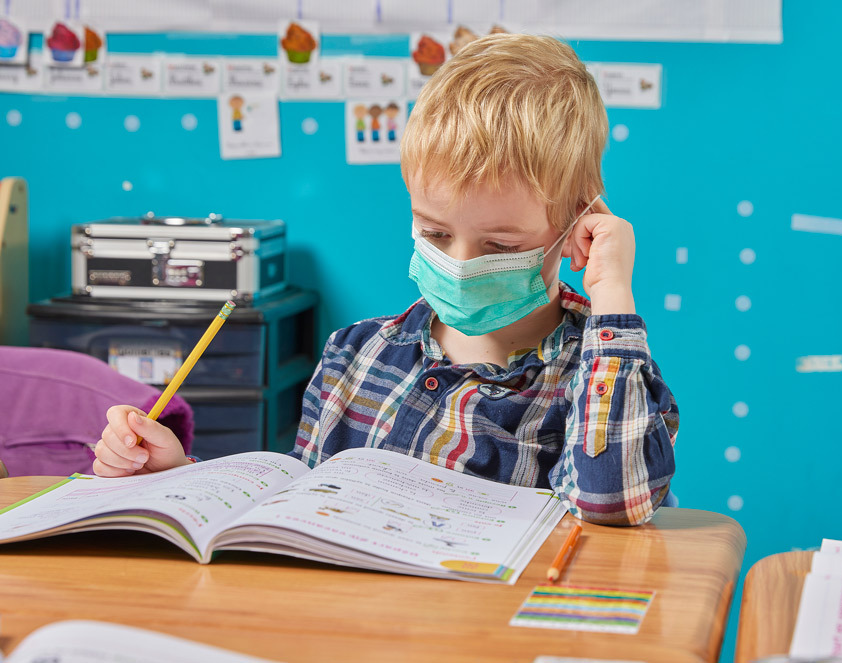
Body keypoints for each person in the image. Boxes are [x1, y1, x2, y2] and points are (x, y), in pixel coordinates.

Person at [93, 34, 678, 526]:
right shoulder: (355, 355)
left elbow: (612, 502)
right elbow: (294, 514)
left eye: (500, 245)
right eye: (436, 232)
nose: (461, 262)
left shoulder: (600, 372)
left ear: (580, 220)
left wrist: (611, 296)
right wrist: (174, 476)